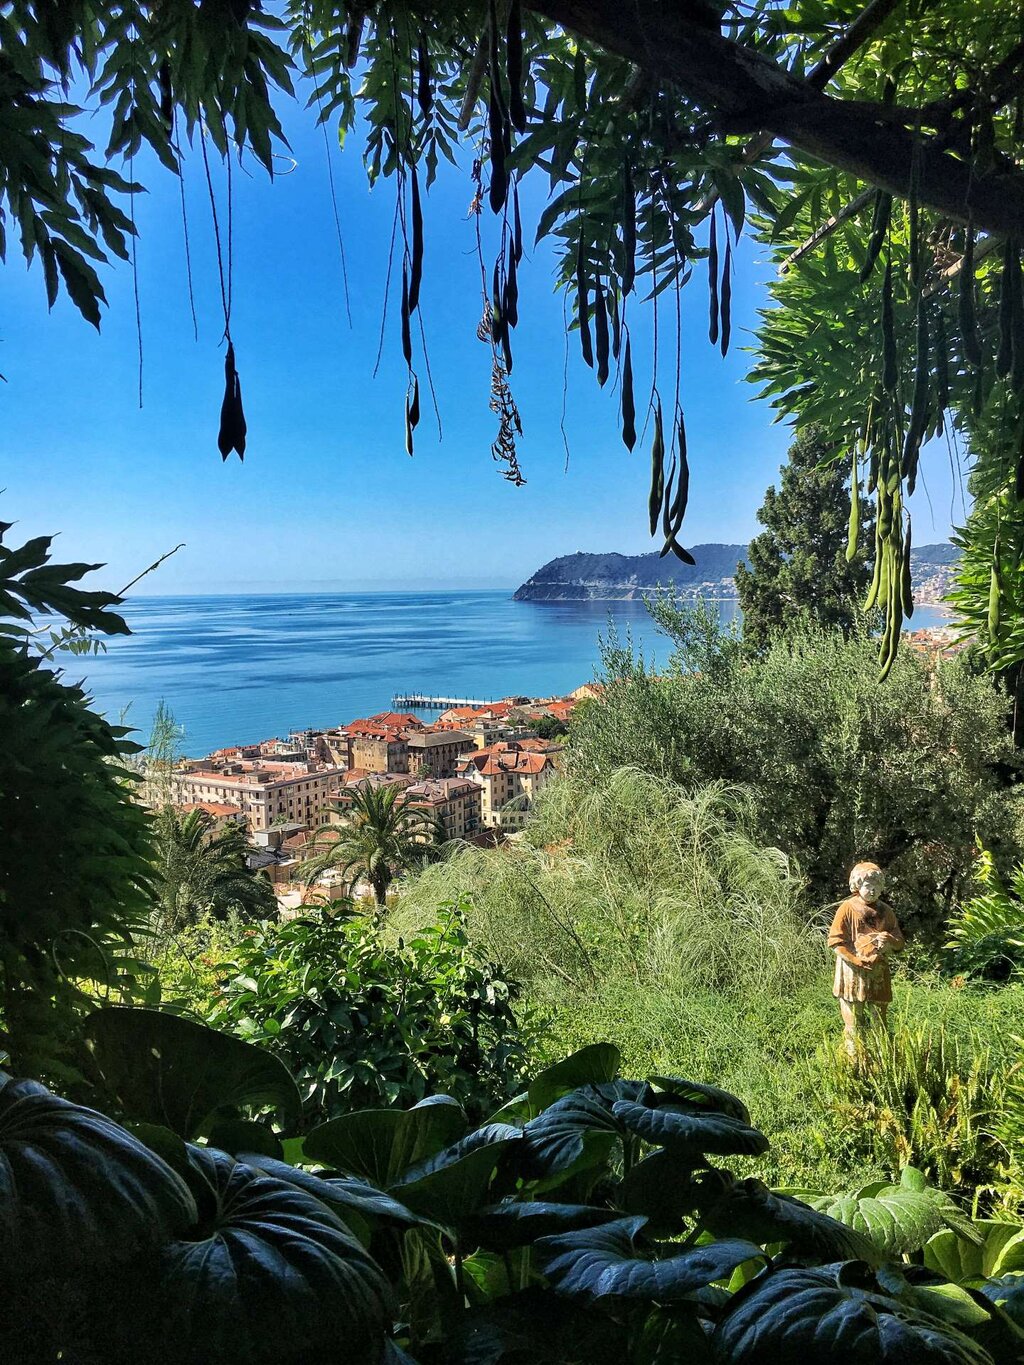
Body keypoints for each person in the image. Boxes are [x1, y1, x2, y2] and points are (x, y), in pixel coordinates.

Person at [828, 861, 905, 1057]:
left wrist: (890, 940)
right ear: (857, 886)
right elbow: (836, 943)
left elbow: (899, 944)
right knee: (853, 1021)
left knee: (879, 1019)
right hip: (853, 973)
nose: (872, 891)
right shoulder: (847, 909)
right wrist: (856, 960)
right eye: (868, 886)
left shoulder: (886, 911)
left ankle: (883, 1059)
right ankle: (853, 1060)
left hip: (878, 972)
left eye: (876, 887)